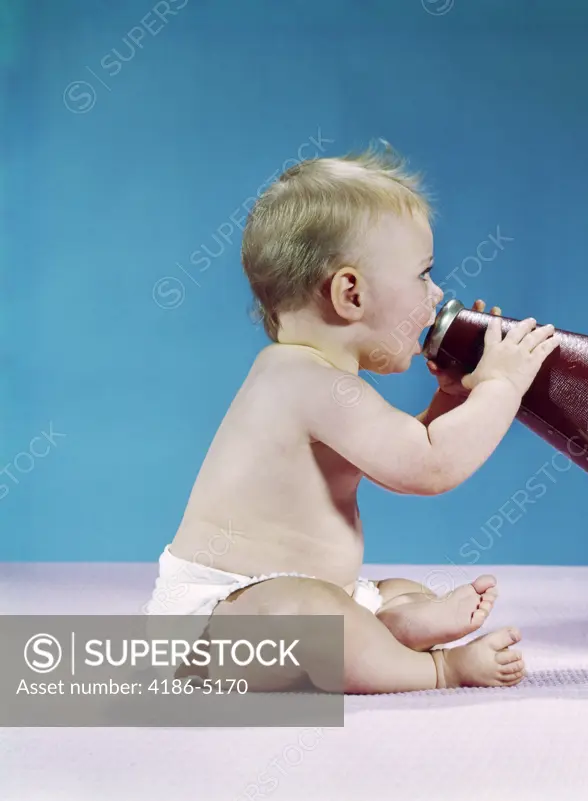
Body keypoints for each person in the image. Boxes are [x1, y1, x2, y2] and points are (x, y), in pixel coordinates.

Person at [144, 144, 560, 693]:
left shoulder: (314, 378)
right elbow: (426, 465)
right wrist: (503, 384)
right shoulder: (304, 382)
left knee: (397, 589)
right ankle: (435, 668)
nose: (437, 296)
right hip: (215, 622)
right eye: (423, 276)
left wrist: (454, 399)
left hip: (301, 595)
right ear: (350, 294)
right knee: (312, 614)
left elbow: (403, 445)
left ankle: (387, 625)